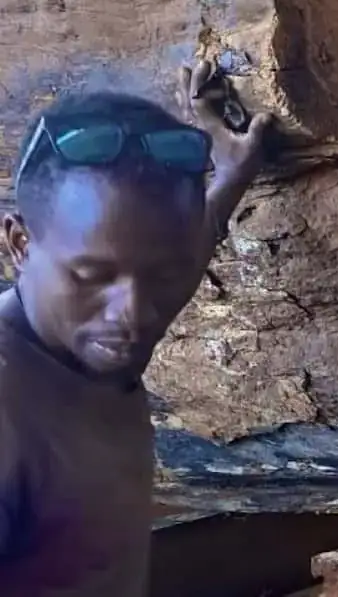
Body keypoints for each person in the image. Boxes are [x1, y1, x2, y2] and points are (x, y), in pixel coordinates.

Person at [0, 61, 271, 596]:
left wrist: (234, 171)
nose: (136, 313)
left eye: (162, 275)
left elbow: (180, 249)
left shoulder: (93, 326)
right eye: (93, 276)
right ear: (19, 245)